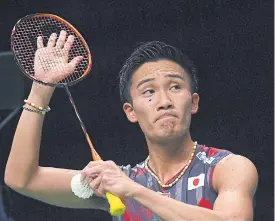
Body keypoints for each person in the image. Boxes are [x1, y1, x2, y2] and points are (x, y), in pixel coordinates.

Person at [4, 30, 258, 221]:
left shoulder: (229, 168)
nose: (164, 102)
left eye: (175, 87)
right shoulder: (117, 185)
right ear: (131, 111)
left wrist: (136, 192)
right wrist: (40, 90)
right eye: (149, 92)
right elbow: (22, 178)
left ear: (193, 103)